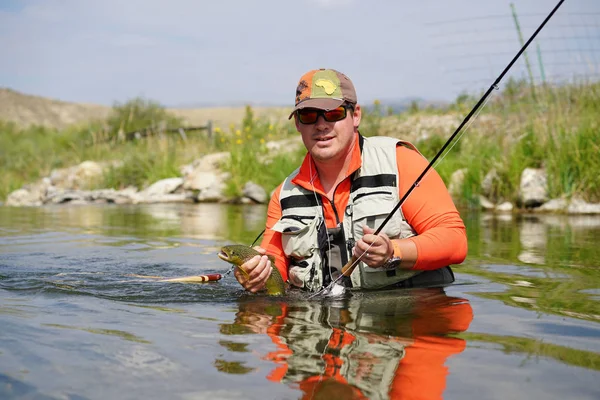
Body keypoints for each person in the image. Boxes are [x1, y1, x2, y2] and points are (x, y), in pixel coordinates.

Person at [234, 68, 467, 293]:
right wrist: (256, 276)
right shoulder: (283, 195)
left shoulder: (401, 162)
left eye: (334, 113)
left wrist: (393, 251)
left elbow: (455, 241)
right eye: (308, 115)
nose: (321, 124)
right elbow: (276, 276)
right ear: (298, 124)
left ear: (355, 115)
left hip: (412, 315)